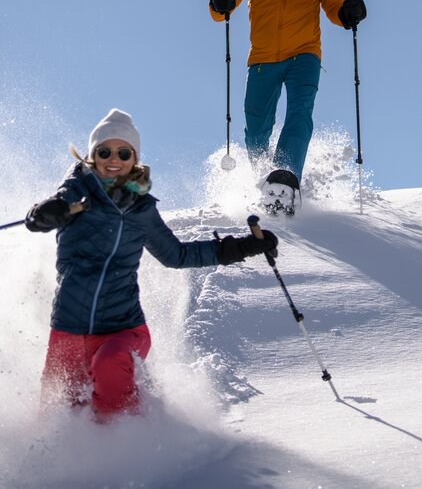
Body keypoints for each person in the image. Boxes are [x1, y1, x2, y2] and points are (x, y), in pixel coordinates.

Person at [25, 108, 277, 420]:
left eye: (123, 152)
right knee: (57, 415)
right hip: (67, 330)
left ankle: (124, 443)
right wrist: (43, 214)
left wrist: (241, 247)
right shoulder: (73, 196)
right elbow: (40, 218)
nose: (113, 159)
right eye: (104, 151)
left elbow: (177, 255)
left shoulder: (141, 210)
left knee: (110, 366)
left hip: (122, 328)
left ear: (134, 159)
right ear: (91, 156)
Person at [209, 0, 366, 209]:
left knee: (299, 112)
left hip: (304, 54)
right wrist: (219, 1)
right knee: (256, 131)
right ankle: (264, 182)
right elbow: (223, 8)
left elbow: (334, 8)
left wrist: (348, 14)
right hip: (262, 58)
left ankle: (285, 176)